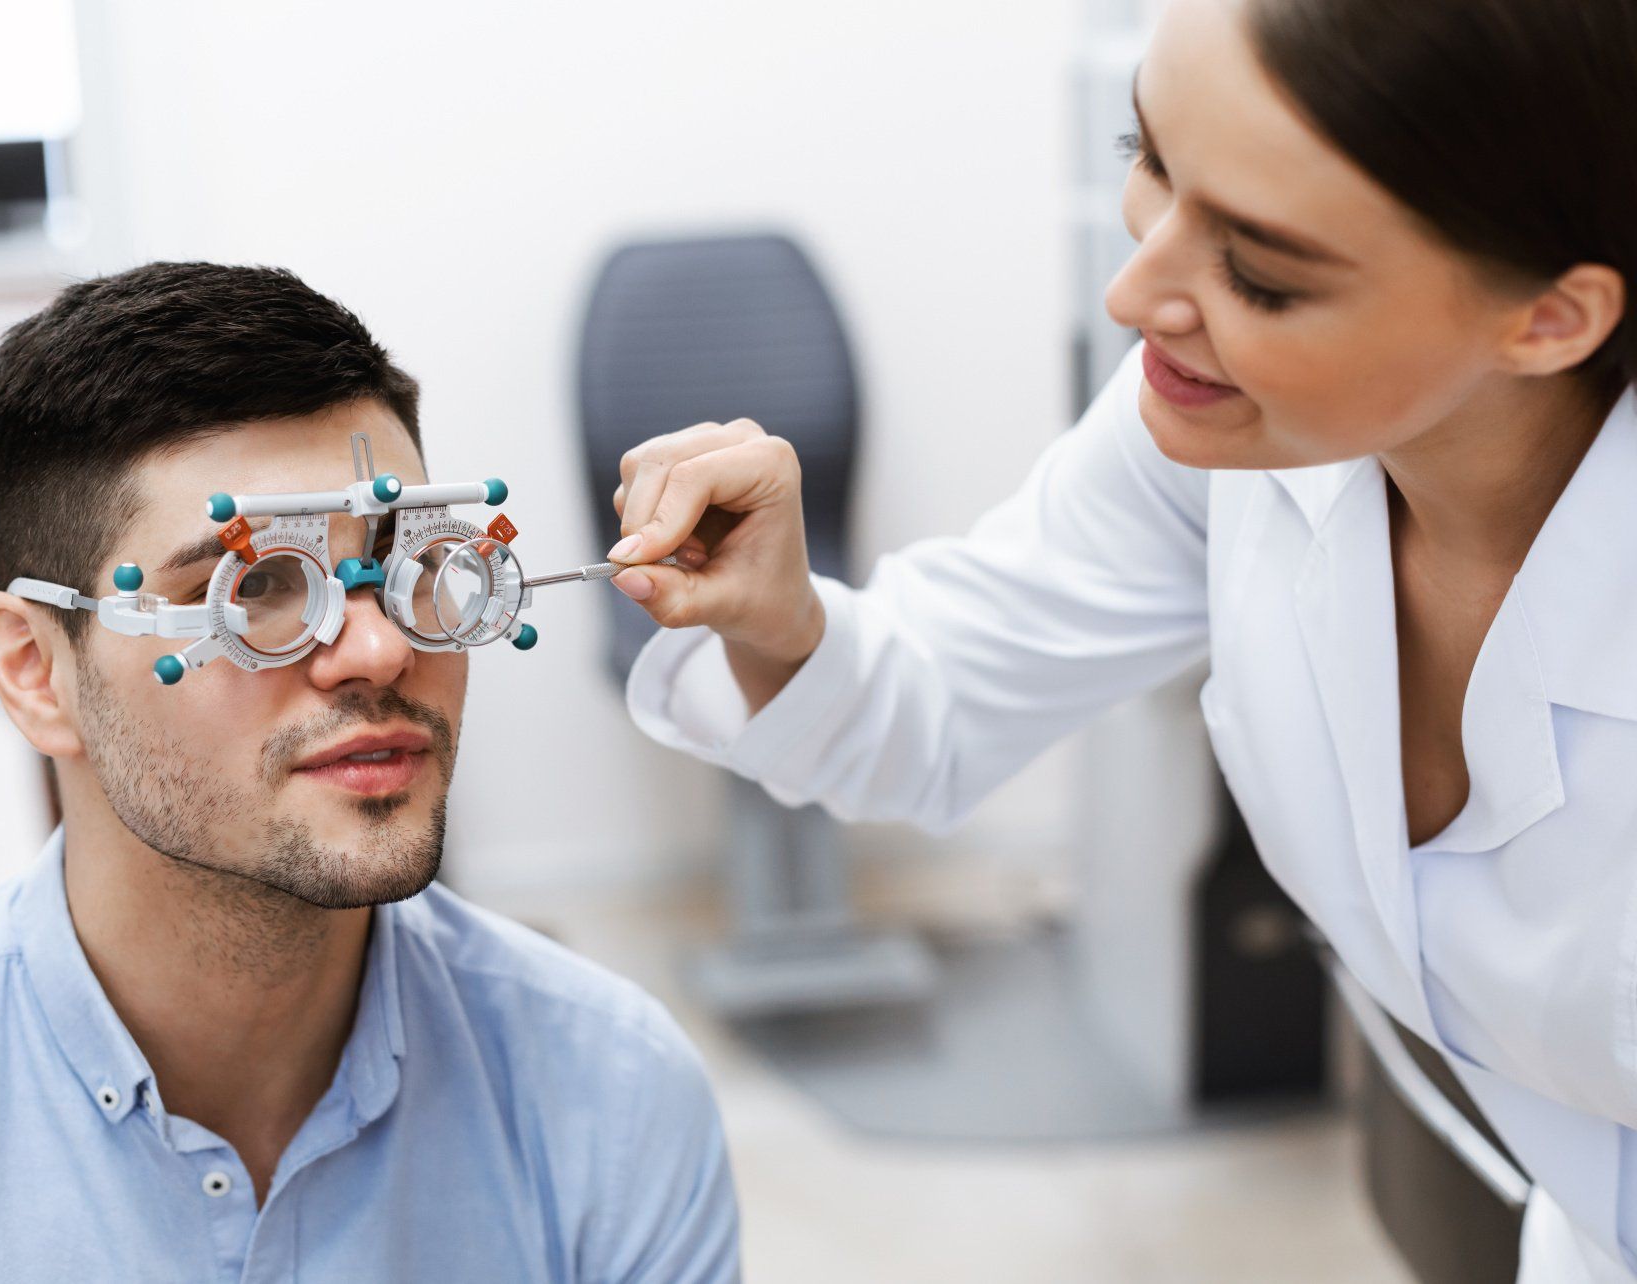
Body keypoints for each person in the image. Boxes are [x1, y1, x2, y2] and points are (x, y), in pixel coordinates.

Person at [607, 1, 1637, 1280]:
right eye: (1147, 158)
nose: (1135, 290)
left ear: (1551, 318)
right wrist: (780, 614)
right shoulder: (1239, 442)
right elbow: (934, 703)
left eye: (1260, 270)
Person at [0, 262, 739, 1282]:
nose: (377, 651)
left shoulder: (614, 1099)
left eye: (412, 561)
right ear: (35, 672)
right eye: (252, 586)